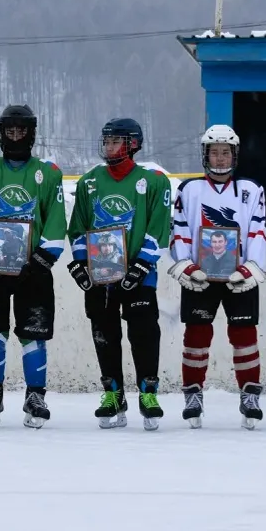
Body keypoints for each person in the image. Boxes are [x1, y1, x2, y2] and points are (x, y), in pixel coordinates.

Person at [0, 105, 67, 428]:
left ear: (31, 134)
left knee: (34, 334)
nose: (15, 136)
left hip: (33, 270)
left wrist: (40, 261)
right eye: (10, 130)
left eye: (22, 131)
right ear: (1, 132)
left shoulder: (48, 174)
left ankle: (35, 396)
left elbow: (56, 223)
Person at [66, 118, 171, 429]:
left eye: (116, 141)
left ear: (133, 144)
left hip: (140, 274)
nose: (109, 147)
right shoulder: (89, 181)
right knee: (104, 333)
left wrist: (142, 264)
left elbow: (159, 227)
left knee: (144, 333)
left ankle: (148, 393)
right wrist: (81, 264)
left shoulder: (154, 181)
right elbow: (78, 227)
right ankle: (113, 394)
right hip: (101, 274)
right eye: (107, 141)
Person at [167, 124, 266, 429]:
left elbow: (257, 231)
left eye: (226, 152)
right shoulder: (189, 190)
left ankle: (250, 394)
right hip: (200, 275)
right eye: (215, 152)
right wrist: (186, 266)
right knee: (196, 336)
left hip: (239, 275)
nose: (221, 158)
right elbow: (180, 230)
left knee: (244, 335)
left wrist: (251, 268)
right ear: (205, 154)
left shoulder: (251, 189)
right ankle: (193, 395)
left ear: (234, 155)